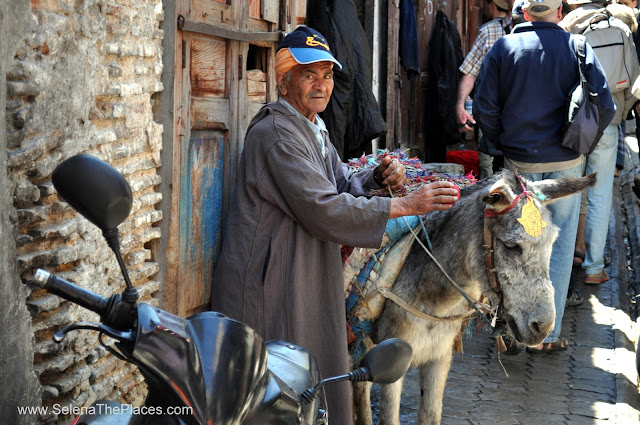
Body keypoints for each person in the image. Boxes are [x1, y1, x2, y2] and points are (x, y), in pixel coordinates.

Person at [209, 26, 459, 423]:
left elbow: (339, 181)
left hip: (299, 268)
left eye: (327, 75)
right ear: (284, 80)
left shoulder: (311, 127)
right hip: (268, 279)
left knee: (305, 375)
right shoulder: (276, 133)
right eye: (310, 74)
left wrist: (376, 179)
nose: (322, 85)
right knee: (274, 384)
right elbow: (322, 206)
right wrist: (406, 204)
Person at [474, 0, 614, 353]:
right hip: (566, 162)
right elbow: (606, 106)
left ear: (523, 12)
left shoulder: (504, 47)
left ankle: (509, 328)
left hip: (519, 164)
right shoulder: (577, 47)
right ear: (560, 12)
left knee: (519, 245)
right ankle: (545, 335)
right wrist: (583, 145)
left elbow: (483, 107)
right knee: (560, 245)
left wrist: (503, 142)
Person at [561, 0, 640, 286]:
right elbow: (634, 82)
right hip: (608, 122)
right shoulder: (620, 28)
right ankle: (594, 268)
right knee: (600, 196)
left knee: (569, 192)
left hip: (574, 124)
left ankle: (565, 259)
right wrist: (620, 111)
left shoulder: (567, 26)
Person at [456, 0, 512, 178]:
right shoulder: (489, 31)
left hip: (523, 114)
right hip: (492, 112)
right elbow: (470, 71)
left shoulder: (543, 31)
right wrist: (460, 105)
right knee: (488, 165)